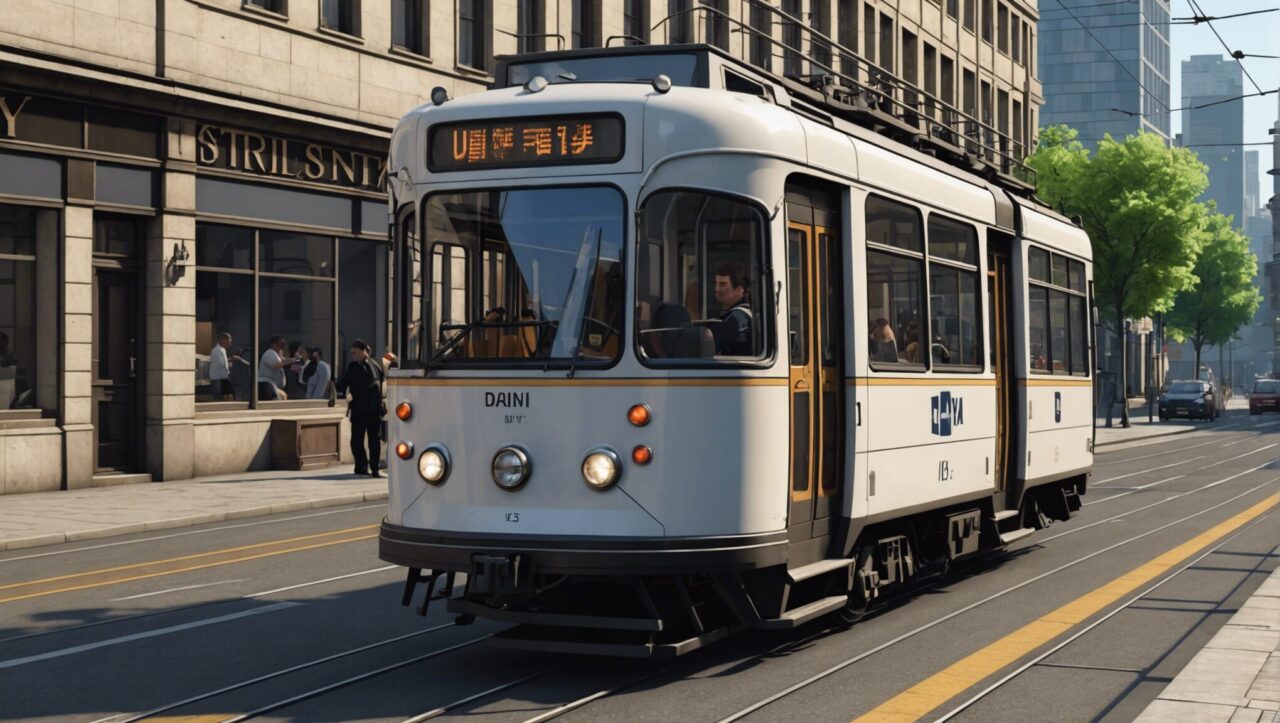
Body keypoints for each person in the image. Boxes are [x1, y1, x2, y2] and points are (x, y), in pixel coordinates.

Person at [336, 338, 386, 477]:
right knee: (357, 441)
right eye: (352, 353)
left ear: (364, 351)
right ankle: (363, 467)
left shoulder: (372, 365)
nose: (353, 355)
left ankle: (372, 468)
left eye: (355, 353)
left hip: (370, 410)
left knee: (372, 442)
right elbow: (343, 383)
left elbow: (380, 385)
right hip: (361, 410)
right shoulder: (358, 366)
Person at [712, 262, 753, 356]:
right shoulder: (736, 315)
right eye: (716, 284)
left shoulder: (738, 317)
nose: (717, 289)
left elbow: (712, 346)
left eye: (722, 284)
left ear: (739, 290)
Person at [257, 336, 297, 401]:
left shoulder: (275, 355)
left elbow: (284, 360)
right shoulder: (270, 352)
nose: (283, 347)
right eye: (281, 344)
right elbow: (276, 364)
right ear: (274, 344)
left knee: (283, 396)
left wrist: (294, 360)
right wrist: (290, 363)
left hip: (271, 385)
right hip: (266, 385)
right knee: (277, 401)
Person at [208, 332, 243, 400]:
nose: (230, 344)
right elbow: (220, 364)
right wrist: (231, 358)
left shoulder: (222, 350)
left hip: (222, 378)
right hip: (218, 379)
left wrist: (232, 360)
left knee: (229, 396)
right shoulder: (217, 350)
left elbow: (225, 365)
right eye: (229, 341)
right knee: (220, 399)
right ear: (223, 340)